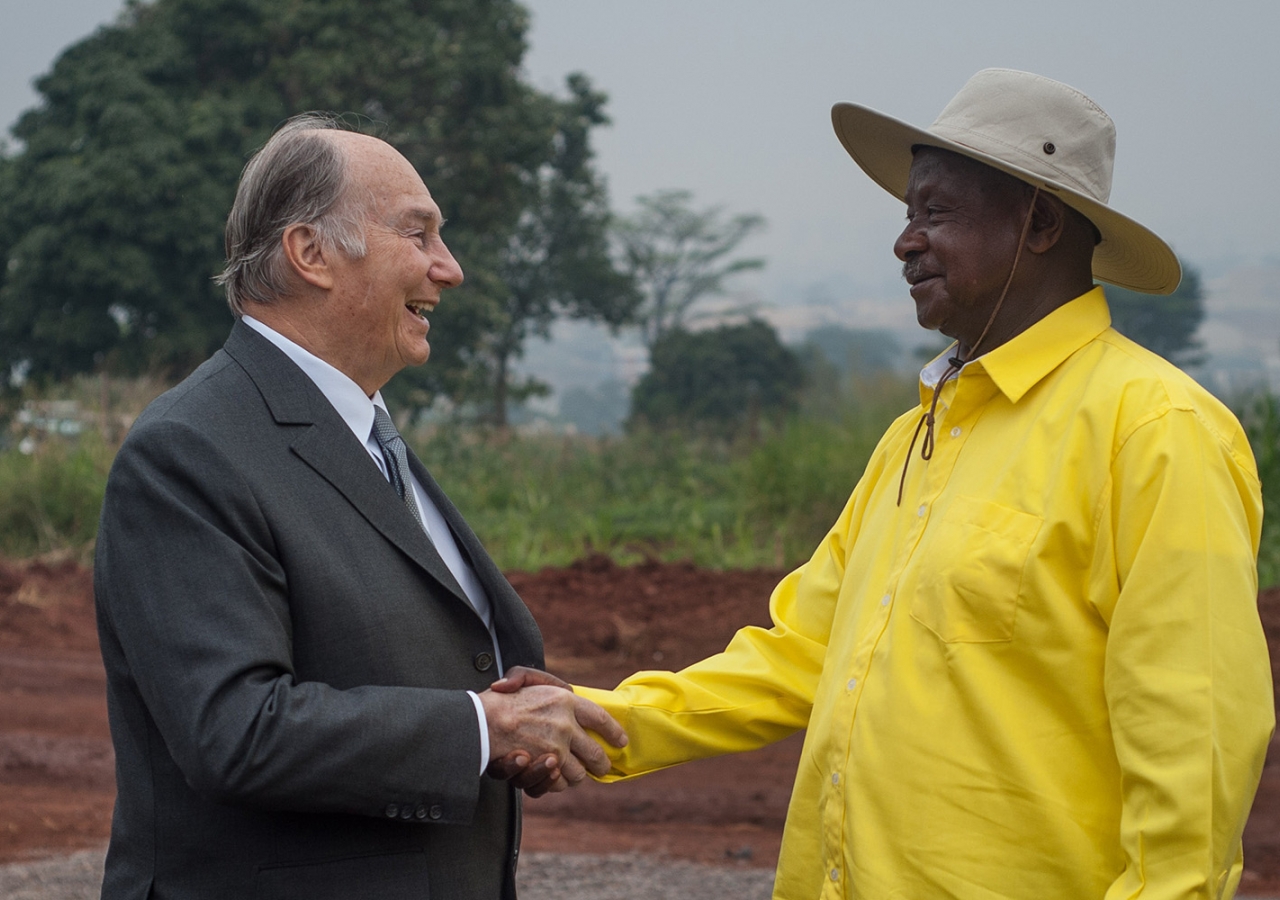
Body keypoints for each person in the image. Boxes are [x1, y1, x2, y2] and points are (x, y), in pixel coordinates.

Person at [498, 69, 1275, 898]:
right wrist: (600, 721)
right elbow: (804, 653)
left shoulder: (1155, 431)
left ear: (1040, 223)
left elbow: (1195, 750)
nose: (906, 242)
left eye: (935, 213)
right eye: (908, 216)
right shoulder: (918, 436)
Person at [93, 114, 625, 900]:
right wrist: (481, 731)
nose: (450, 269)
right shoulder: (189, 450)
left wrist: (504, 733)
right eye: (420, 235)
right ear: (310, 254)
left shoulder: (360, 431)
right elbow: (234, 730)